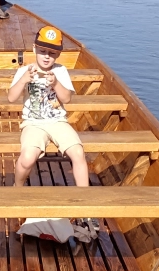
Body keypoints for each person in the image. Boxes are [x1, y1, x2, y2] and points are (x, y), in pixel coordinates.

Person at [7, 26, 99, 239]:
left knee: (78, 152)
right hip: (33, 123)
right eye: (42, 51)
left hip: (58, 121)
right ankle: (17, 188)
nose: (46, 56)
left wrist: (56, 83)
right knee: (27, 158)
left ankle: (85, 205)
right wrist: (24, 80)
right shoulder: (24, 71)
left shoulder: (61, 71)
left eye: (52, 52)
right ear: (34, 49)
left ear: (57, 54)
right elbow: (11, 98)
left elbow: (66, 99)